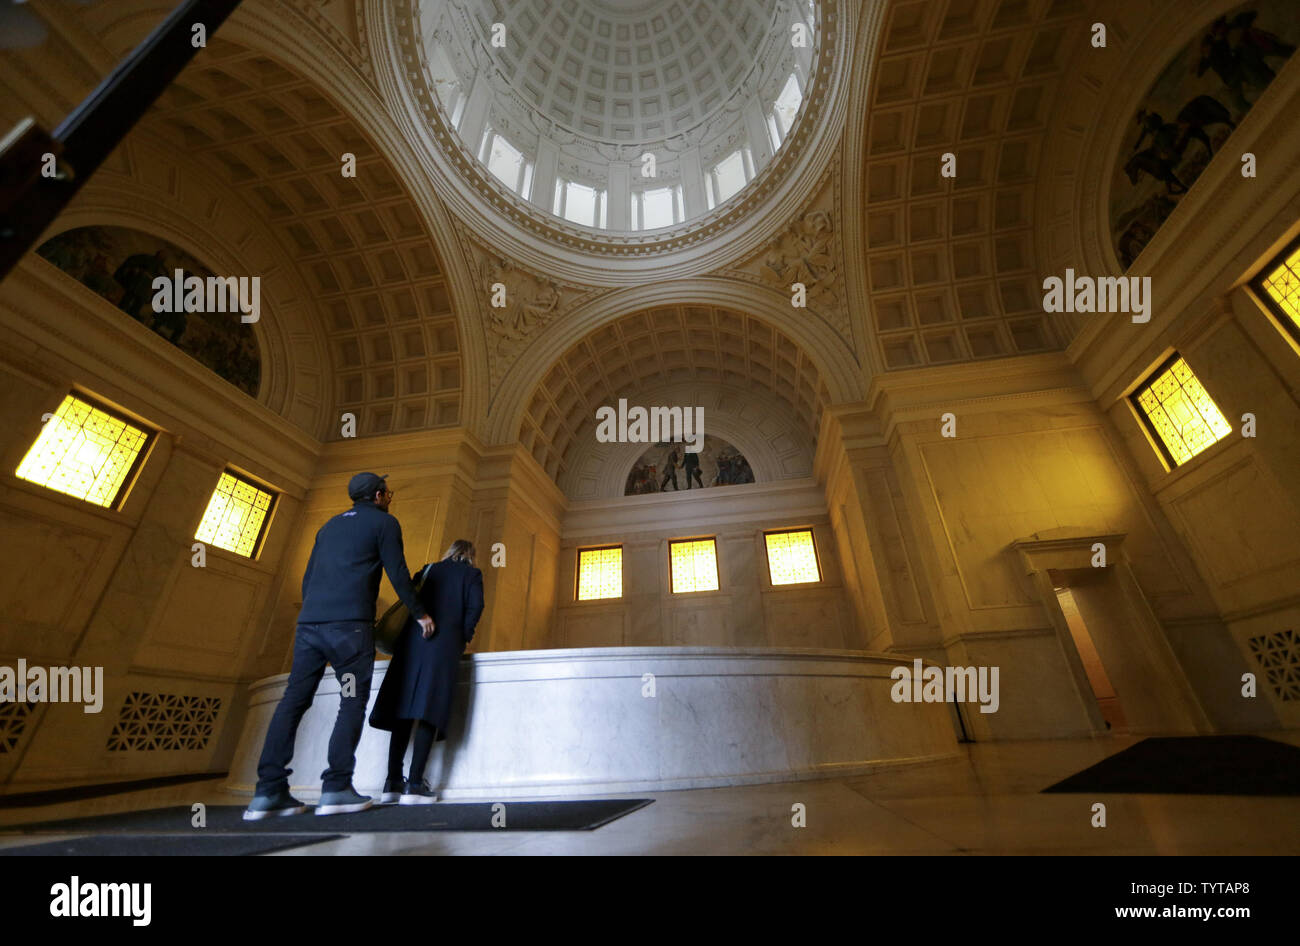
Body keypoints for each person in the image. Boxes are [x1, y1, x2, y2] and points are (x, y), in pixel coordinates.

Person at [243, 472, 435, 820]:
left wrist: (315, 614)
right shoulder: (384, 523)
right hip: (350, 631)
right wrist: (420, 614)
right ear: (378, 496)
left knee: (293, 702)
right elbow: (398, 573)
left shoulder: (329, 526)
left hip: (310, 628)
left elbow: (309, 576)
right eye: (387, 492)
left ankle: (268, 792)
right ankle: (336, 788)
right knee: (350, 701)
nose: (389, 497)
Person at [370, 540, 485, 804]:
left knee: (402, 711)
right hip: (444, 645)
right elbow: (476, 607)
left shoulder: (429, 569)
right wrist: (463, 636)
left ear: (450, 553)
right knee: (428, 711)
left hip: (412, 642)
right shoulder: (472, 574)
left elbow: (409, 595)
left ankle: (392, 783)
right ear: (470, 555)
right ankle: (414, 783)